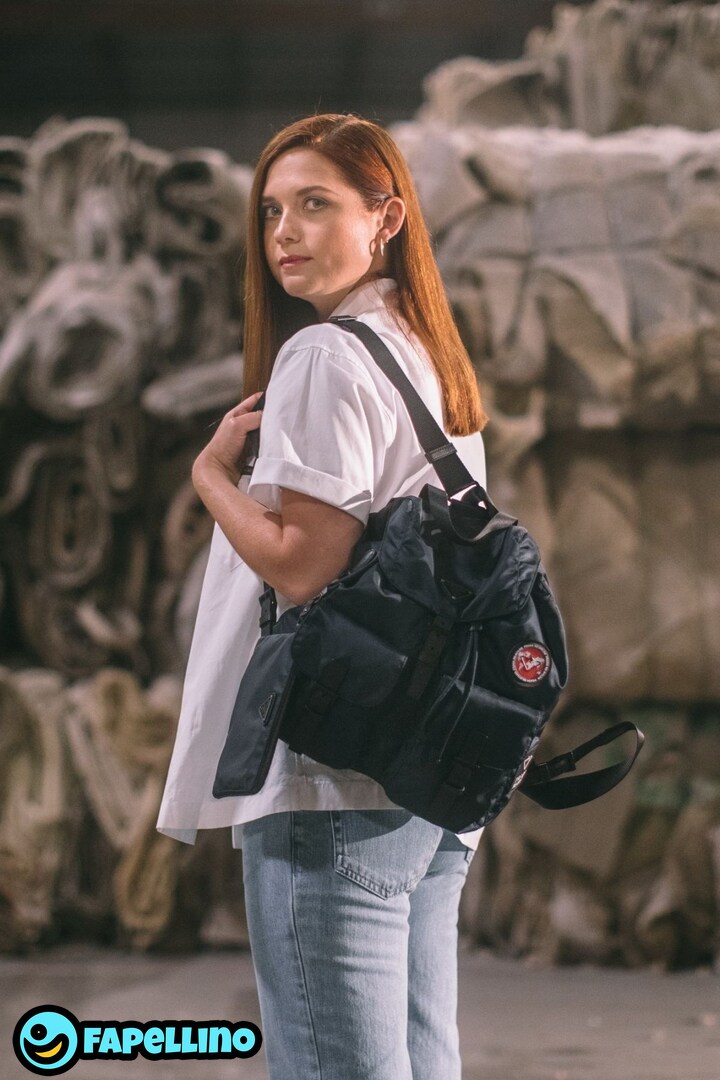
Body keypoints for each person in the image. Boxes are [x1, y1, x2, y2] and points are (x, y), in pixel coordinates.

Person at [157, 113, 489, 1080]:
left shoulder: (325, 355)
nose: (285, 233)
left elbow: (303, 565)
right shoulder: (425, 354)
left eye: (314, 204)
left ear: (387, 218)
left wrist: (211, 477)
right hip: (427, 764)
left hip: (330, 769)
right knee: (419, 1059)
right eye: (271, 211)